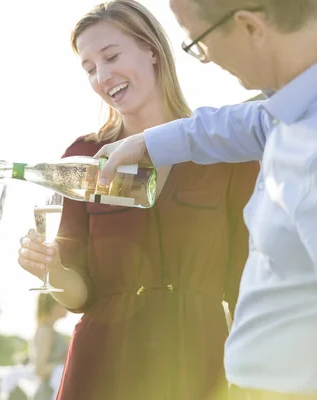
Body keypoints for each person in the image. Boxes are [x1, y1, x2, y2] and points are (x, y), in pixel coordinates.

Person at [17, 1, 259, 399]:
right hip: (101, 365)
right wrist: (51, 270)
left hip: (197, 362)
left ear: (152, 50)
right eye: (89, 67)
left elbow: (245, 283)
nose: (102, 76)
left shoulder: (223, 148)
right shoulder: (84, 157)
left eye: (111, 56)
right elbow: (79, 294)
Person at [94, 0, 317, 398]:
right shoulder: (291, 112)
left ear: (250, 27)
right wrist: (149, 142)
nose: (205, 58)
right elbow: (241, 124)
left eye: (199, 41)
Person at [32, 294, 68, 400]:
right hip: (47, 395)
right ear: (55, 306)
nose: (67, 306)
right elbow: (40, 369)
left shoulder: (51, 330)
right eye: (63, 302)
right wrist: (66, 365)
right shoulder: (45, 331)